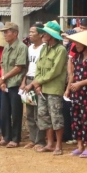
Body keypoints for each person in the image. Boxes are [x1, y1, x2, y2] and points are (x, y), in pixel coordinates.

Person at [31, 21, 68, 155]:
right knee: (44, 116)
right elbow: (38, 67)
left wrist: (38, 81)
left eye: (45, 33)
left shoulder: (61, 50)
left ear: (52, 35)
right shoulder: (43, 48)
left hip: (54, 88)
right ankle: (50, 143)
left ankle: (58, 145)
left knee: (56, 117)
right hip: (42, 87)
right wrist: (38, 82)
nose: (42, 35)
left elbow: (55, 70)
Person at [65, 29, 87, 158]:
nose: (76, 45)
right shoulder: (76, 58)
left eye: (78, 43)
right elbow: (72, 75)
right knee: (76, 119)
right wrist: (68, 89)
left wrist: (80, 84)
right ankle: (79, 146)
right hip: (76, 93)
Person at [0, 23, 27, 148]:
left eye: (7, 32)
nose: (5, 34)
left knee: (16, 113)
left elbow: (18, 68)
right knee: (4, 112)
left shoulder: (21, 47)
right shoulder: (6, 47)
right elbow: (3, 65)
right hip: (6, 84)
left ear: (15, 33)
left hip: (15, 83)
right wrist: (3, 80)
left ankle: (15, 138)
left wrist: (4, 78)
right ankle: (6, 136)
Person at [22, 24, 45, 149]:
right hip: (29, 80)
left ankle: (40, 141)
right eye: (29, 32)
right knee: (30, 112)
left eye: (32, 32)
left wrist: (34, 83)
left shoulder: (44, 48)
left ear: (41, 34)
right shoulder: (30, 48)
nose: (30, 34)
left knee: (39, 113)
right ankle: (32, 139)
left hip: (38, 82)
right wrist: (24, 81)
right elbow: (27, 66)